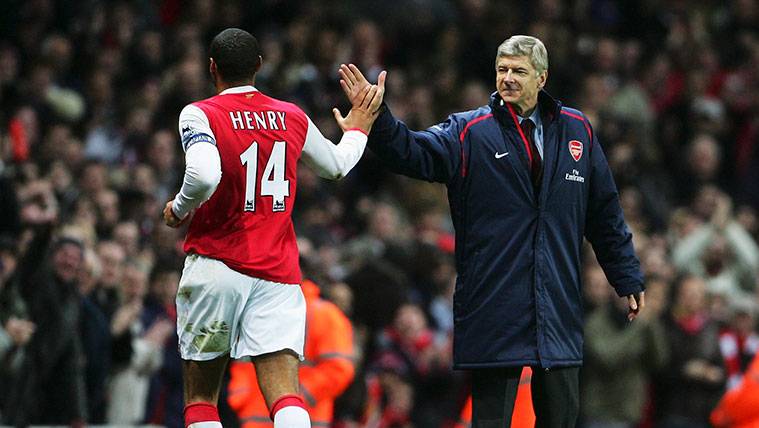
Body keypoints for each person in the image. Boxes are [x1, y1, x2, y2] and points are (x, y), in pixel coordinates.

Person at [338, 35, 644, 427]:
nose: (508, 78)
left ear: (542, 77)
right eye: (502, 69)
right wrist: (380, 118)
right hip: (494, 305)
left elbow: (604, 211)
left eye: (519, 71)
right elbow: (413, 153)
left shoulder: (577, 129)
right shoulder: (470, 131)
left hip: (557, 304)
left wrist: (625, 275)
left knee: (562, 420)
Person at [161, 28, 385, 428]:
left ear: (212, 68)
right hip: (278, 276)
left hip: (216, 265)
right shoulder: (291, 115)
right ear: (259, 66)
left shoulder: (200, 113)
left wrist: (179, 209)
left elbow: (203, 174)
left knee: (201, 398)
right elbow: (336, 166)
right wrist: (359, 129)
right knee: (285, 395)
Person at [227, 279, 355, 428]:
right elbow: (243, 361)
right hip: (259, 418)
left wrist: (299, 397)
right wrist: (239, 396)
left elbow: (339, 369)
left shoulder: (324, 314)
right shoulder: (260, 308)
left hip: (301, 417)